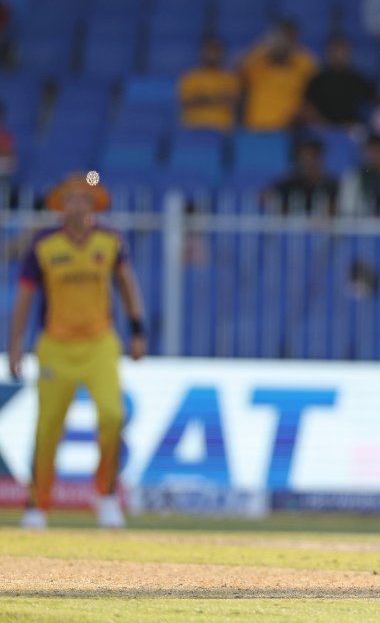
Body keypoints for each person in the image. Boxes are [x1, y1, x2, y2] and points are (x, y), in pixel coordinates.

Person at [7, 173, 147, 529]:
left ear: (94, 204)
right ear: (60, 204)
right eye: (71, 198)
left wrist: (137, 331)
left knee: (113, 416)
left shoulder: (110, 240)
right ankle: (38, 505)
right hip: (55, 346)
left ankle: (106, 494)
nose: (78, 204)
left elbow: (127, 285)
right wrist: (15, 346)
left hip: (100, 342)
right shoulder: (44, 244)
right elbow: (24, 297)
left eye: (85, 197)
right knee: (48, 428)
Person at [240, 20, 318, 131]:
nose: (282, 44)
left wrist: (295, 47)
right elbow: (239, 66)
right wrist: (264, 44)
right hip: (257, 127)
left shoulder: (301, 67)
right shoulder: (258, 66)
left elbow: (316, 71)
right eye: (279, 40)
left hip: (287, 130)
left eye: (287, 40)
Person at [303, 36, 377, 129]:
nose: (339, 56)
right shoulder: (318, 79)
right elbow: (307, 106)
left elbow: (374, 98)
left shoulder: (357, 79)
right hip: (322, 126)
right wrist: (323, 123)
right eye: (335, 52)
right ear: (328, 54)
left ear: (349, 54)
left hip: (349, 127)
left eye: (343, 52)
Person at [177, 36, 241, 131]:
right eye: (208, 51)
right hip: (194, 129)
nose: (212, 55)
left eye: (215, 51)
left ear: (222, 53)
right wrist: (217, 97)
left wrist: (201, 97)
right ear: (201, 53)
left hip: (222, 129)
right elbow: (187, 102)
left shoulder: (230, 78)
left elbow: (232, 102)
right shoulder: (190, 77)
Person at [265, 139, 339, 215]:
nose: (308, 162)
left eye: (312, 157)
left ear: (321, 158)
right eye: (304, 158)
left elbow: (337, 212)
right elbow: (269, 199)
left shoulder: (333, 186)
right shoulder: (287, 185)